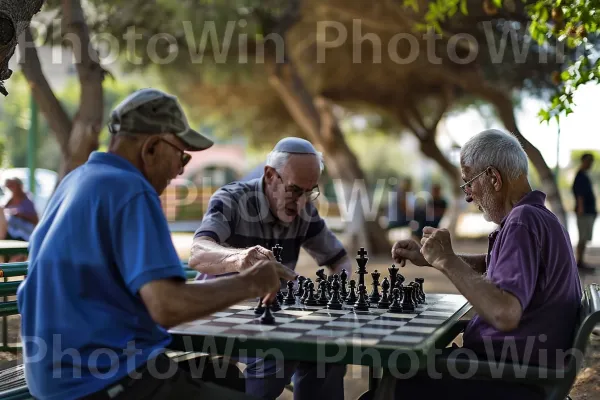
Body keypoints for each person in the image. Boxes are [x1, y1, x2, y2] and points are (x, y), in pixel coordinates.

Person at [16, 88, 296, 400]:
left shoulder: (77, 181)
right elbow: (167, 305)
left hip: (53, 380)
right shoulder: (130, 189)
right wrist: (252, 283)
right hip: (102, 382)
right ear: (151, 147)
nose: (181, 169)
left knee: (225, 374)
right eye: (182, 155)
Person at [388, 129, 582, 400]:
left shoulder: (523, 221)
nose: (468, 195)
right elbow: (495, 267)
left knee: (393, 378)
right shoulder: (538, 218)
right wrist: (430, 259)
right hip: (513, 370)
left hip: (508, 379)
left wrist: (447, 259)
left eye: (469, 183)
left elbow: (504, 312)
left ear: (493, 177)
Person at [189, 137, 352, 400]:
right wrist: (241, 258)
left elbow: (340, 260)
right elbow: (197, 254)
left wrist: (335, 290)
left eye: (310, 192)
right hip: (220, 312)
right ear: (270, 175)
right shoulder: (232, 199)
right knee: (277, 356)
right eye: (295, 190)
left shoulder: (305, 212)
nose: (301, 203)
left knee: (328, 353)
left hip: (272, 318)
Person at [572, 153, 597, 270]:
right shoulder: (580, 176)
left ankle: (580, 261)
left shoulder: (584, 175)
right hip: (584, 212)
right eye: (589, 161)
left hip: (588, 211)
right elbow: (580, 194)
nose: (590, 164)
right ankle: (579, 262)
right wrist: (581, 208)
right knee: (582, 237)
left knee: (585, 237)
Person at [0, 177, 39, 242]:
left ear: (20, 186)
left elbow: (35, 220)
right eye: (9, 186)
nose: (10, 188)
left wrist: (19, 214)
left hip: (23, 233)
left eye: (13, 185)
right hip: (9, 232)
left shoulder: (27, 201)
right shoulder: (9, 200)